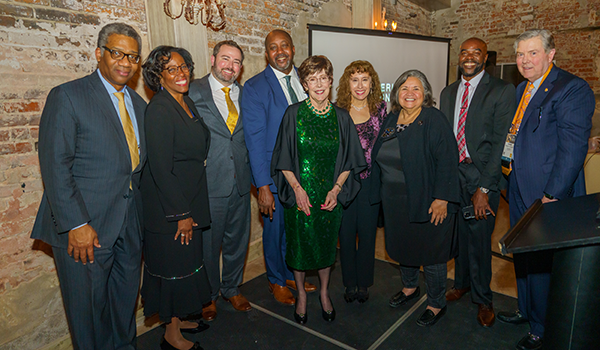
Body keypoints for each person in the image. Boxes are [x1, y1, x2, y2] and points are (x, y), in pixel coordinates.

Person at [30, 23, 146, 349]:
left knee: (124, 308)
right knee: (88, 318)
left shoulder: (138, 105)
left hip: (128, 227)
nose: (125, 62)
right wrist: (76, 224)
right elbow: (55, 167)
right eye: (117, 53)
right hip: (85, 231)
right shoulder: (68, 96)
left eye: (133, 57)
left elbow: (134, 169)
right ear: (99, 53)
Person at [496, 29, 595, 350]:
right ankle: (526, 310)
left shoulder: (571, 89)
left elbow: (573, 149)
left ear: (551, 54)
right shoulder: (522, 88)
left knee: (541, 262)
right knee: (524, 255)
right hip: (517, 185)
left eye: (533, 53)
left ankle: (542, 327)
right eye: (520, 55)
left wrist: (552, 194)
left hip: (547, 194)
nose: (525, 61)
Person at [271, 55, 366, 324]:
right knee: (300, 249)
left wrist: (336, 190)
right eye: (312, 79)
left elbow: (350, 160)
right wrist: (298, 190)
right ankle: (301, 294)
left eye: (323, 77)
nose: (319, 84)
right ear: (304, 84)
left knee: (325, 247)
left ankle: (324, 293)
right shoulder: (293, 114)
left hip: (329, 197)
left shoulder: (342, 117)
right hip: (300, 195)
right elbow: (282, 159)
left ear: (331, 81)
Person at [371, 69, 459, 327]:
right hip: (395, 201)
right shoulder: (391, 119)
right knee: (404, 247)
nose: (410, 94)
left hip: (428, 199)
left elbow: (448, 159)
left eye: (416, 89)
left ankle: (436, 302)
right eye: (404, 89)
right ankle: (410, 288)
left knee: (431, 253)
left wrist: (441, 197)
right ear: (397, 93)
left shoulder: (434, 118)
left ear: (425, 94)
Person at [439, 38, 516, 328]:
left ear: (486, 58)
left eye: (476, 53)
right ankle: (461, 284)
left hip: (481, 175)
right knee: (458, 235)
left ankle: (484, 299)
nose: (469, 57)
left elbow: (500, 143)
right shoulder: (448, 92)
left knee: (480, 241)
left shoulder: (501, 90)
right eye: (465, 52)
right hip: (454, 174)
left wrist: (485, 188)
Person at [140, 46, 210, 350]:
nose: (181, 74)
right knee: (173, 269)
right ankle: (171, 334)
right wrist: (181, 214)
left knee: (187, 264)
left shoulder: (187, 101)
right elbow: (160, 167)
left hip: (189, 196)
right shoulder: (158, 109)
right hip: (169, 207)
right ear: (157, 76)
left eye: (184, 67)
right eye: (171, 69)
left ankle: (180, 318)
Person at [241, 29, 317, 306]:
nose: (280, 51)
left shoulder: (306, 79)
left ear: (293, 49)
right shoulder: (254, 87)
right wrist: (262, 185)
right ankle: (275, 279)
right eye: (273, 47)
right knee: (274, 233)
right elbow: (255, 140)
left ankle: (289, 274)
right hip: (273, 177)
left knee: (295, 230)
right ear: (267, 53)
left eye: (284, 45)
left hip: (306, 174)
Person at [188, 40, 252, 321]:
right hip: (209, 182)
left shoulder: (247, 94)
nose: (231, 66)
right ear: (213, 59)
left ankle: (232, 288)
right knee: (209, 246)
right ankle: (210, 295)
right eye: (225, 59)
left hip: (241, 181)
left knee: (238, 241)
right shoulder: (192, 90)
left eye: (237, 62)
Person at [335, 60, 386, 303]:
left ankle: (364, 283)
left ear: (372, 82)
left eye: (365, 79)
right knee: (345, 236)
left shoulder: (381, 109)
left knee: (367, 235)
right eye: (355, 80)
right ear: (347, 83)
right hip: (344, 184)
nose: (360, 85)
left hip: (371, 183)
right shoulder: (337, 111)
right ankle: (349, 284)